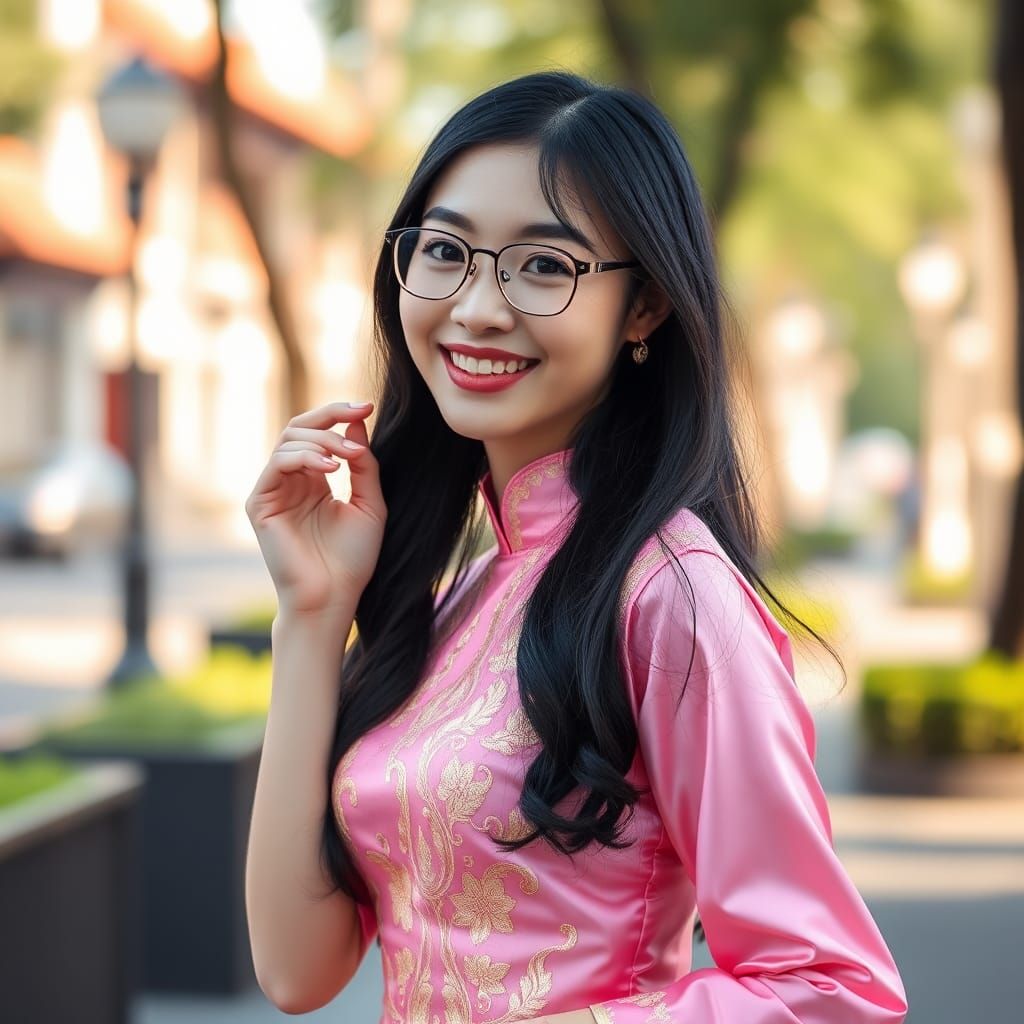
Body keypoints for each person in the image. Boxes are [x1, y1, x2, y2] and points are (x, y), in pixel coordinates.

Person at [244, 70, 909, 1023]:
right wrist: (312, 613)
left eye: (544, 266)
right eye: (445, 252)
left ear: (643, 309)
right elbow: (295, 970)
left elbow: (833, 988)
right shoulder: (466, 592)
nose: (476, 307)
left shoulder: (671, 594)